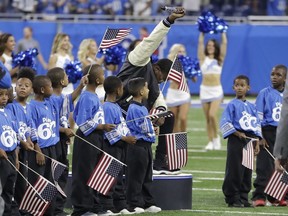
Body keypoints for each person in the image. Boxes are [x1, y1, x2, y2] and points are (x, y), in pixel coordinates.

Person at [117, 8, 185, 174]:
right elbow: (150, 42)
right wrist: (168, 21)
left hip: (136, 113)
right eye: (164, 76)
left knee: (168, 116)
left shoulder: (154, 82)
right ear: (156, 68)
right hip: (119, 110)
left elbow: (159, 99)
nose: (163, 81)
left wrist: (158, 116)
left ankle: (160, 160)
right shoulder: (138, 59)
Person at [71, 64, 115, 216]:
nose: (104, 76)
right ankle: (82, 208)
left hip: (96, 138)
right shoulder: (87, 97)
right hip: (87, 140)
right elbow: (83, 123)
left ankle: (95, 205)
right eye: (102, 74)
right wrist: (102, 126)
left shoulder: (93, 96)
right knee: (85, 173)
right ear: (97, 80)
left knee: (95, 173)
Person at [46, 67, 88, 216]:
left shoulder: (62, 97)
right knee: (55, 174)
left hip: (62, 141)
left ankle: (58, 208)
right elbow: (48, 123)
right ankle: (53, 209)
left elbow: (71, 98)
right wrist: (64, 130)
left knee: (62, 173)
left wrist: (81, 85)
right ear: (61, 81)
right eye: (65, 76)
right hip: (54, 141)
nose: (68, 78)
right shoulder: (50, 100)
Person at [28, 75, 71, 215]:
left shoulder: (50, 102)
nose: (52, 89)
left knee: (53, 181)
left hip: (54, 148)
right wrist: (38, 150)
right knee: (41, 181)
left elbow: (65, 101)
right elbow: (32, 128)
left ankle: (50, 211)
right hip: (41, 150)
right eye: (49, 87)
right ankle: (38, 211)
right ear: (42, 89)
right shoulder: (32, 106)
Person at [220, 75, 261, 208]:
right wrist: (237, 133)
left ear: (248, 88)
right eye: (237, 85)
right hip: (236, 139)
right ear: (233, 87)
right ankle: (232, 197)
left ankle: (243, 196)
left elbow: (256, 125)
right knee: (235, 169)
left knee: (247, 169)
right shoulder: (231, 104)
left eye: (242, 85)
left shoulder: (252, 106)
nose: (239, 88)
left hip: (249, 140)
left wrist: (257, 141)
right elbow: (225, 122)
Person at [100, 76, 136, 214]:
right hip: (112, 147)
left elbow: (121, 126)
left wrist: (129, 136)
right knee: (111, 176)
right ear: (117, 90)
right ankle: (107, 204)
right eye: (121, 87)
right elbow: (109, 131)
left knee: (120, 176)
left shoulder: (115, 106)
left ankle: (119, 203)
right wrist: (125, 139)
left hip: (120, 146)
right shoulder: (107, 107)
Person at [252, 65, 287, 207]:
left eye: (278, 75)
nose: (274, 77)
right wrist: (259, 136)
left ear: (285, 77)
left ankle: (278, 196)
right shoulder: (264, 93)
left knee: (284, 165)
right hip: (268, 132)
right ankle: (259, 195)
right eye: (272, 74)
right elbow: (257, 117)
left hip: (284, 133)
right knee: (264, 166)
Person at [126, 77, 161, 213]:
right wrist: (151, 128)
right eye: (146, 87)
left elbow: (145, 126)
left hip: (146, 146)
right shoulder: (135, 108)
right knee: (136, 176)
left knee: (147, 175)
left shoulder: (142, 107)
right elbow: (141, 128)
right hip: (138, 147)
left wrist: (153, 126)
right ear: (141, 91)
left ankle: (148, 202)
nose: (148, 90)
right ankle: (133, 204)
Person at [5, 67, 35, 211]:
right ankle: (12, 208)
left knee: (24, 179)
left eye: (26, 86)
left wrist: (29, 139)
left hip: (25, 149)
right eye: (19, 85)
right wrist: (22, 142)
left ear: (32, 90)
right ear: (15, 87)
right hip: (15, 148)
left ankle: (23, 207)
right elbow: (12, 129)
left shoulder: (29, 107)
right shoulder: (11, 107)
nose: (22, 88)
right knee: (14, 179)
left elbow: (28, 127)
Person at [198, 31, 227, 150]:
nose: (210, 47)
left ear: (216, 48)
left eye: (213, 46)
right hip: (205, 90)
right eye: (208, 45)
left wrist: (223, 31)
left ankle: (216, 138)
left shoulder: (220, 58)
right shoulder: (202, 58)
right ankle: (210, 141)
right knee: (207, 118)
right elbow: (200, 43)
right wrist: (202, 32)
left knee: (212, 115)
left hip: (216, 91)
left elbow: (224, 43)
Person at [166, 44, 193, 132]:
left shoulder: (187, 63)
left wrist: (190, 70)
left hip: (183, 93)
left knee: (183, 118)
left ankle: (182, 141)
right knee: (174, 121)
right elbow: (164, 78)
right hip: (172, 93)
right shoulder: (169, 63)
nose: (181, 53)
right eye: (179, 51)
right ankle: (177, 144)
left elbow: (195, 79)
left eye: (182, 51)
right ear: (174, 52)